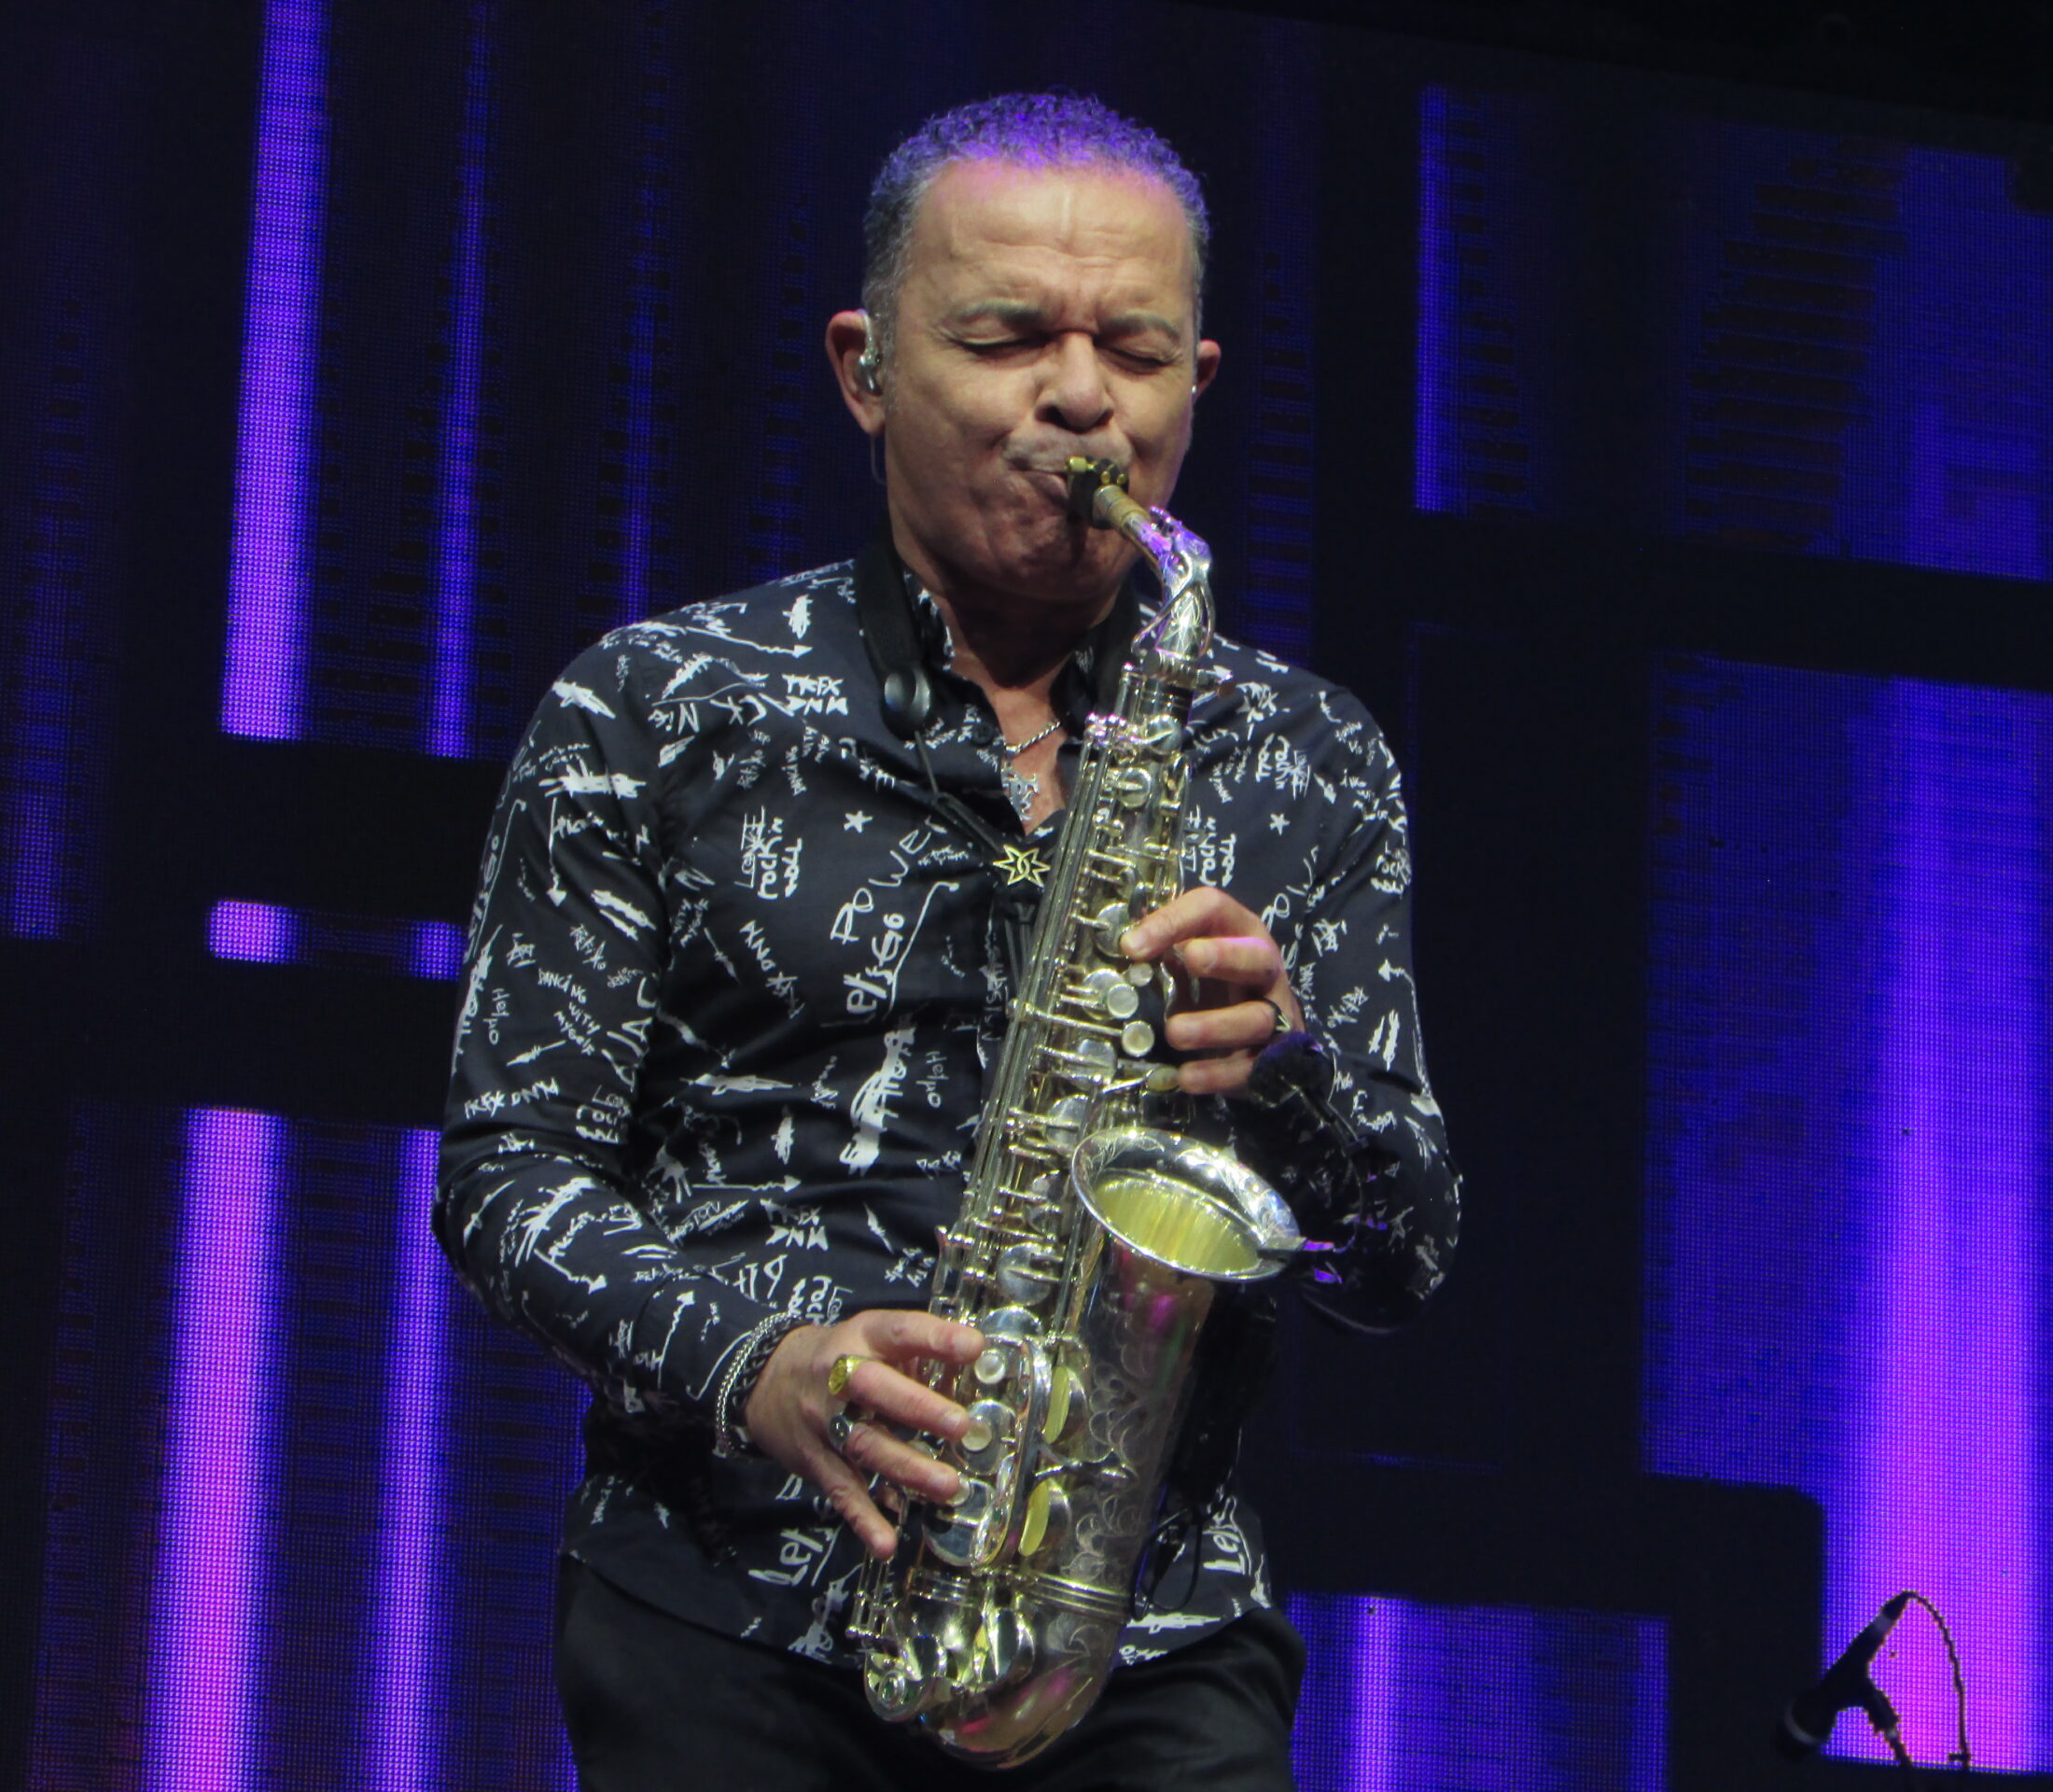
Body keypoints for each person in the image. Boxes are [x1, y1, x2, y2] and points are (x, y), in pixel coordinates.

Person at [438, 92, 1459, 1789]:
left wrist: (1282, 1076)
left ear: (1196, 384)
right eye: (1007, 339)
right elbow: (507, 1176)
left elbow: (1405, 1258)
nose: (1081, 398)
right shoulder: (655, 710)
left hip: (1138, 1631)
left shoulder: (1309, 755)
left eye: (1135, 351)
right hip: (731, 1618)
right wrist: (756, 1368)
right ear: (865, 368)